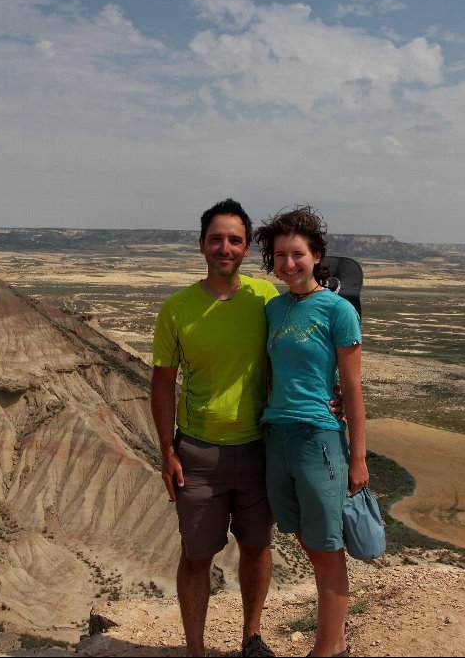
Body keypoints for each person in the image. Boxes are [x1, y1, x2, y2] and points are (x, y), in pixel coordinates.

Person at [151, 198, 279, 658]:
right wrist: (166, 449)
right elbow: (163, 384)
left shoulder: (266, 299)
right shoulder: (177, 309)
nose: (225, 247)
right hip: (199, 455)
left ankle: (251, 637)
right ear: (202, 244)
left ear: (247, 249)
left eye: (235, 240)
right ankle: (195, 651)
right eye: (217, 239)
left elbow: (303, 351)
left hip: (259, 447)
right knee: (197, 556)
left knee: (256, 546)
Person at [253, 206, 368, 658]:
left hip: (318, 440)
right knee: (303, 536)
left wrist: (358, 457)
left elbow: (354, 388)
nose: (288, 263)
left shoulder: (338, 310)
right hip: (276, 439)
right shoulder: (274, 308)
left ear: (316, 255)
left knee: (326, 549)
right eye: (280, 255)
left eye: (297, 254)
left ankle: (325, 652)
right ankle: (334, 640)